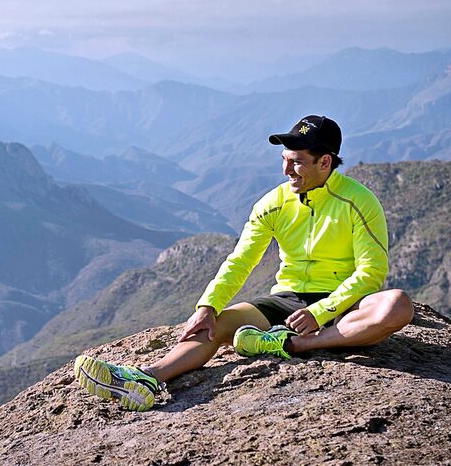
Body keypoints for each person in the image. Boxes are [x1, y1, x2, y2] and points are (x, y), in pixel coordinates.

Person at [74, 115, 414, 412]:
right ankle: (146, 380)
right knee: (214, 324)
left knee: (397, 305)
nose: (286, 170)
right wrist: (208, 304)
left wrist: (321, 312)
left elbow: (371, 272)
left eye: (296, 161)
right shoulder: (274, 203)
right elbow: (240, 260)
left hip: (344, 303)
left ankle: (292, 345)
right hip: (287, 300)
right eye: (283, 159)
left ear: (325, 162)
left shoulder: (359, 201)